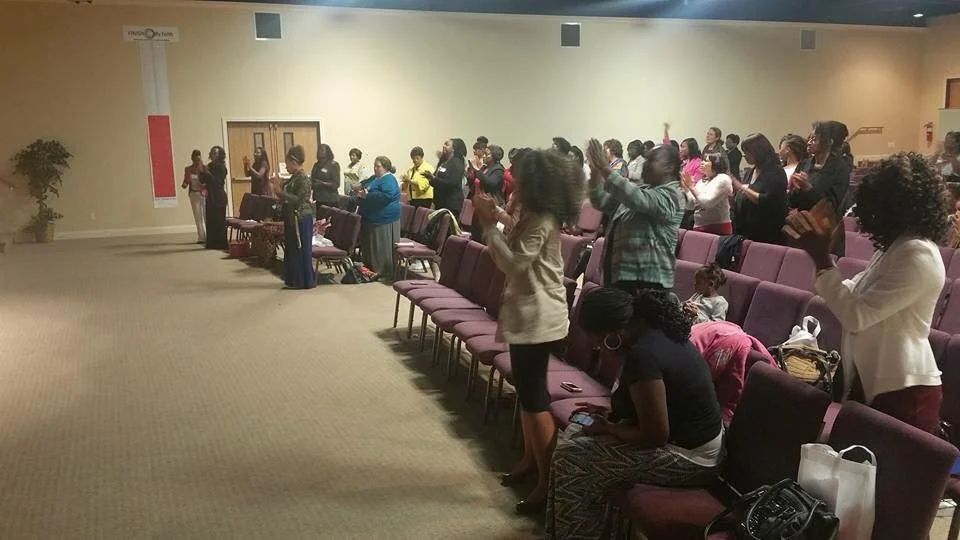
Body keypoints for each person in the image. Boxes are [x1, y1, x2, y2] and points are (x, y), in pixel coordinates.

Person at [785, 152, 947, 433]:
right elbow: (852, 291)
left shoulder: (918, 255)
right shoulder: (897, 247)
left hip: (905, 388)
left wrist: (821, 258)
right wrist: (823, 254)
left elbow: (857, 316)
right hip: (877, 379)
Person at [545, 287, 724, 538]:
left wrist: (609, 428)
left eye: (597, 341)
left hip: (693, 458)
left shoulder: (644, 355)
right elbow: (652, 405)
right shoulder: (655, 332)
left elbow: (654, 435)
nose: (597, 348)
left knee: (572, 456)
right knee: (577, 433)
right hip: (686, 442)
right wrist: (608, 414)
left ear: (613, 334)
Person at [471, 149, 583, 515]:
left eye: (519, 177)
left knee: (535, 399)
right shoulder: (535, 212)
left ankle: (548, 483)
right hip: (530, 313)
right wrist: (498, 214)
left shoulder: (542, 219)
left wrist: (488, 225)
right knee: (527, 392)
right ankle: (531, 461)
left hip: (539, 318)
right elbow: (516, 230)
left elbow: (514, 262)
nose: (513, 181)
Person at [586, 141, 684, 293]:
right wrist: (595, 171)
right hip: (621, 275)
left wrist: (604, 167)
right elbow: (602, 202)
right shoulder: (642, 189)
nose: (645, 164)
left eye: (652, 160)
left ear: (669, 167)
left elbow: (638, 199)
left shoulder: (674, 195)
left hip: (649, 281)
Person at [731, 133, 788, 245]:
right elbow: (740, 201)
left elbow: (769, 201)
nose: (744, 156)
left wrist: (743, 188)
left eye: (747, 152)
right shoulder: (750, 172)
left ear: (758, 152)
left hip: (765, 236)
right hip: (744, 234)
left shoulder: (775, 172)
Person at [789, 121, 850, 217]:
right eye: (809, 138)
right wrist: (795, 190)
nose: (809, 143)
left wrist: (808, 188)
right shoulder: (804, 164)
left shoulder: (840, 168)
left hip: (824, 222)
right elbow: (793, 202)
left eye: (814, 139)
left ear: (829, 142)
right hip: (803, 219)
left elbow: (832, 206)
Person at [357, 156, 402, 280]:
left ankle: (382, 271)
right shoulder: (375, 178)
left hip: (385, 219)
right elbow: (365, 186)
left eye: (378, 166)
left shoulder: (389, 179)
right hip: (371, 217)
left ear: (386, 168)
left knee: (380, 246)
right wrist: (361, 191)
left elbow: (387, 196)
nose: (375, 168)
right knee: (371, 246)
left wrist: (367, 196)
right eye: (374, 166)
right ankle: (371, 269)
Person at [278, 145, 315, 290]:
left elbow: (299, 200)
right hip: (292, 217)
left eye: (287, 163)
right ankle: (294, 280)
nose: (286, 166)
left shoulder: (303, 179)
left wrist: (280, 192)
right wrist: (279, 187)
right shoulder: (294, 177)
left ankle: (305, 281)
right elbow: (286, 191)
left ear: (294, 162)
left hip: (301, 217)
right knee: (292, 249)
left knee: (301, 249)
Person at [683, 152, 733, 235]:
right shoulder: (702, 182)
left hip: (718, 229)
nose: (702, 163)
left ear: (716, 163)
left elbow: (707, 203)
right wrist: (686, 189)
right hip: (699, 227)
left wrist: (692, 187)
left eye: (706, 161)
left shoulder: (723, 179)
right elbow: (690, 206)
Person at [425, 138, 467, 214]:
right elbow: (437, 181)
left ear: (453, 149)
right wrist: (431, 179)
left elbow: (452, 183)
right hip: (440, 202)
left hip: (451, 203)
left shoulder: (457, 163)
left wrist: (435, 179)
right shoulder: (444, 162)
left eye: (447, 144)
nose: (443, 146)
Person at [199, 146, 228, 250]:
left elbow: (218, 182)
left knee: (219, 221)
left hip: (219, 196)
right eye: (212, 152)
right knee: (210, 221)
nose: (214, 154)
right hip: (210, 196)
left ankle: (221, 244)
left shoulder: (222, 167)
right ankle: (211, 244)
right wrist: (202, 171)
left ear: (220, 155)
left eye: (216, 153)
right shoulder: (209, 166)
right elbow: (202, 180)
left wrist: (208, 173)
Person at [182, 149, 206, 244]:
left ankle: (209, 236)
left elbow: (207, 180)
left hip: (203, 194)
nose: (197, 161)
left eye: (198, 159)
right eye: (195, 159)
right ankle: (201, 237)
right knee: (197, 216)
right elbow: (186, 181)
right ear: (192, 159)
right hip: (193, 194)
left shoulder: (204, 168)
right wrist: (184, 184)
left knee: (206, 215)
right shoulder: (188, 169)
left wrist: (201, 168)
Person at [311, 143, 341, 211]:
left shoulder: (333, 165)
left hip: (330, 200)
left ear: (328, 152)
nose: (319, 152)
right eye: (318, 150)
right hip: (318, 199)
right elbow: (313, 179)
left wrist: (322, 183)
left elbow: (336, 184)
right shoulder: (316, 165)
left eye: (322, 150)